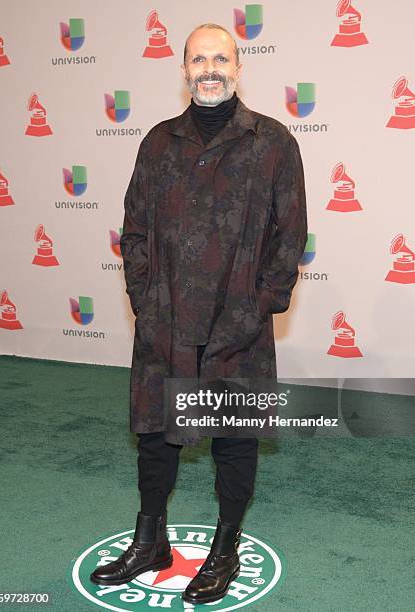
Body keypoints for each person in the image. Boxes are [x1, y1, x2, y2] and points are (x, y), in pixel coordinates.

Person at [90, 23, 307, 604]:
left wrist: (253, 311)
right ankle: (150, 539)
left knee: (233, 439)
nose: (209, 69)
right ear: (183, 70)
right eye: (197, 59)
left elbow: (289, 243)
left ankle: (226, 546)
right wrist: (145, 300)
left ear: (239, 67)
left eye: (220, 58)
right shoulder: (157, 142)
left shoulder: (274, 143)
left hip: (237, 327)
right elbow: (133, 230)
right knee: (155, 434)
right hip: (164, 322)